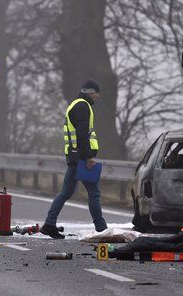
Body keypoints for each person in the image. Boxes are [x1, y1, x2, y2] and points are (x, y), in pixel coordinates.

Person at [41, 79, 108, 239]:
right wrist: (89, 156)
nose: (98, 97)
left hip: (74, 155)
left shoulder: (75, 104)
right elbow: (82, 134)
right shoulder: (83, 106)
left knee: (66, 192)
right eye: (97, 94)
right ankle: (101, 228)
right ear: (92, 92)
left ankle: (49, 224)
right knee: (94, 193)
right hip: (81, 157)